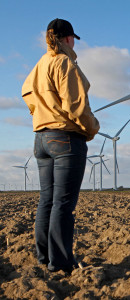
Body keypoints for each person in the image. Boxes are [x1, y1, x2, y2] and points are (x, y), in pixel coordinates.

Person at [22, 18, 100, 273]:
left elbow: (26, 94)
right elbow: (75, 105)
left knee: (47, 200)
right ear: (68, 39)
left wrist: (40, 113)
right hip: (65, 138)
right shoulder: (64, 63)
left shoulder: (39, 64)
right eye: (73, 39)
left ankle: (44, 257)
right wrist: (92, 128)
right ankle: (61, 262)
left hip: (41, 139)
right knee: (63, 204)